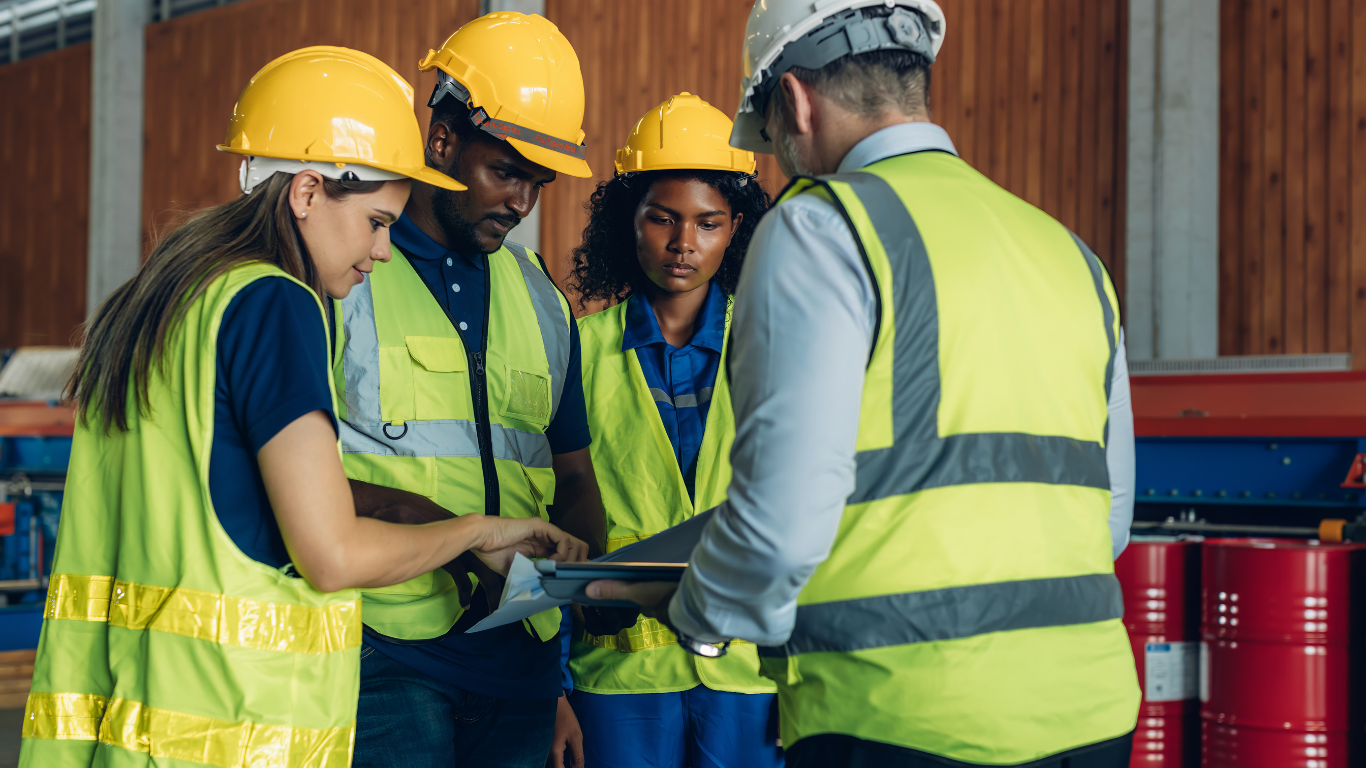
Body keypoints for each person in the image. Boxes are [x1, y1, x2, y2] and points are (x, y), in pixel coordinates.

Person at [589, 2, 1142, 767]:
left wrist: (702, 612)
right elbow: (1108, 520)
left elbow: (781, 526)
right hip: (1093, 715)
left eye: (771, 140)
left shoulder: (824, 228)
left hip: (901, 716)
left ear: (793, 101)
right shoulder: (1071, 255)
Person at [20, 46, 587, 768]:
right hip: (238, 725)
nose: (384, 251)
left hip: (141, 722)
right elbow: (331, 553)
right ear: (309, 193)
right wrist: (477, 532)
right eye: (378, 221)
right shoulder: (277, 303)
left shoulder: (168, 297)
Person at [331, 13, 631, 768]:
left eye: (537, 181)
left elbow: (572, 475)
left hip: (521, 667)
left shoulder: (541, 300)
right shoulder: (346, 277)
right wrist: (462, 540)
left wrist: (586, 581)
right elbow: (303, 478)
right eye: (506, 171)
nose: (523, 202)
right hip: (387, 652)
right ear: (442, 142)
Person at [566, 93, 781, 768]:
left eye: (707, 223)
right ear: (629, 221)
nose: (683, 244)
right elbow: (545, 518)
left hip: (750, 682)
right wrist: (554, 689)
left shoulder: (777, 345)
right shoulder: (579, 351)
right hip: (616, 684)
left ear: (736, 227)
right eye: (662, 219)